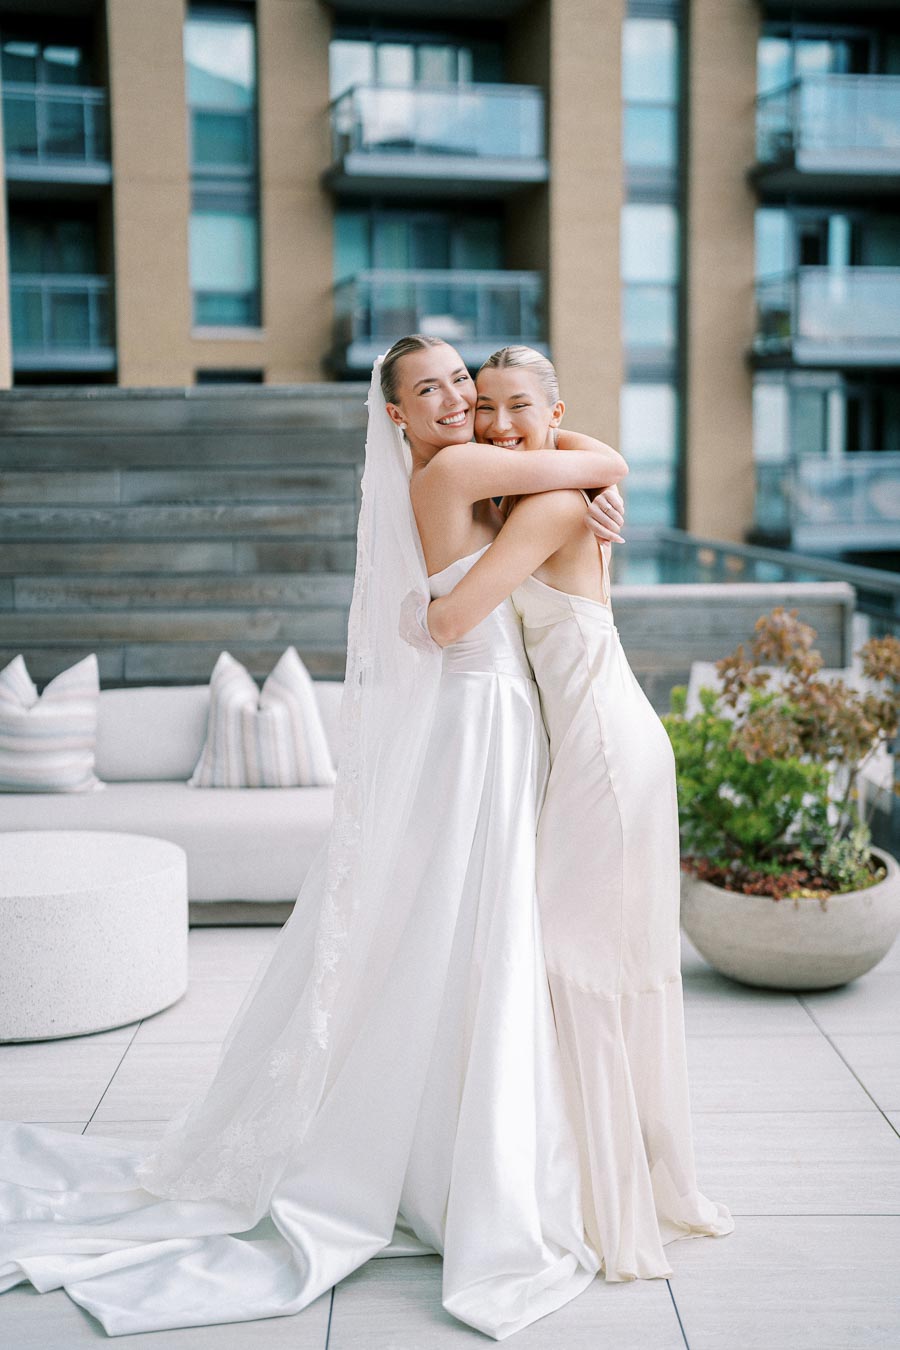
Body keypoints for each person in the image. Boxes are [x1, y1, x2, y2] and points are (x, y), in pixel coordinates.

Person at [0, 340, 631, 1340]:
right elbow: (597, 461)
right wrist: (595, 487)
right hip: (485, 719)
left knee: (465, 930)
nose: (459, 398)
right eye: (431, 390)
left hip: (492, 717)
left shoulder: (472, 472)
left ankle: (440, 1133)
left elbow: (579, 467)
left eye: (464, 380)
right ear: (395, 417)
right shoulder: (461, 469)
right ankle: (447, 1158)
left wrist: (588, 497)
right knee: (471, 931)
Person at [421, 345, 736, 1281]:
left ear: (557, 413)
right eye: (487, 408)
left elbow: (449, 621)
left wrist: (417, 620)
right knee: (595, 970)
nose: (500, 424)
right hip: (599, 749)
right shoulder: (545, 493)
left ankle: (614, 1213)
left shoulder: (554, 501)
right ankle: (615, 1188)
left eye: (522, 407)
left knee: (581, 970)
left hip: (608, 751)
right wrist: (587, 464)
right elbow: (593, 459)